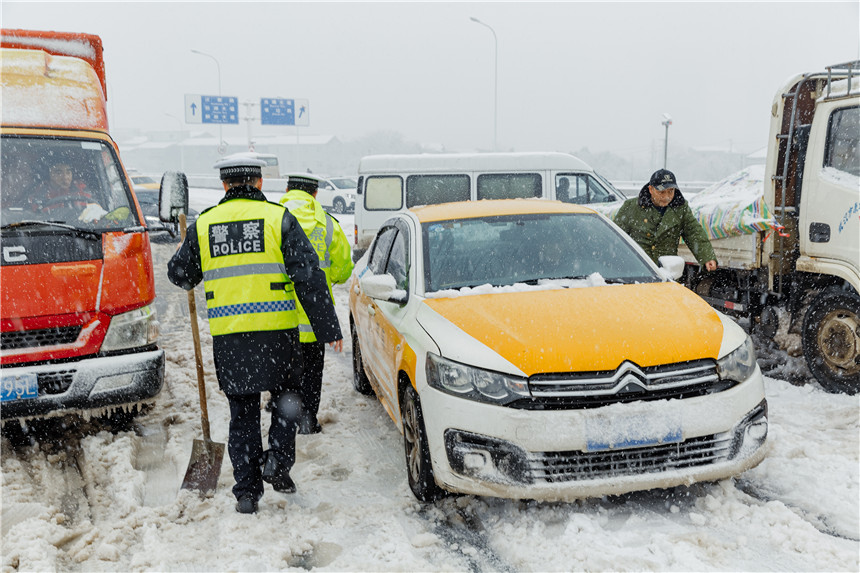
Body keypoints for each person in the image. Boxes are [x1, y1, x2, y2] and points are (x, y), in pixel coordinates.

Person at [167, 153, 342, 514]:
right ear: (259, 183)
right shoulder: (278, 218)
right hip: (278, 335)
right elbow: (308, 275)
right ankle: (277, 461)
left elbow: (180, 275)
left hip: (231, 339)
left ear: (224, 185)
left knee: (242, 414)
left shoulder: (206, 224)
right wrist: (326, 326)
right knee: (286, 403)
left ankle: (246, 494)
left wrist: (193, 248)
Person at [279, 175, 354, 434]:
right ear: (315, 194)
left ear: (287, 190)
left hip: (280, 318)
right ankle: (308, 419)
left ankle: (283, 417)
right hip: (315, 317)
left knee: (285, 371)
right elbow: (344, 269)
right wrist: (324, 279)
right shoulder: (328, 225)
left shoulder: (272, 220)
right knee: (312, 370)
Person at [614, 169, 718, 272]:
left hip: (666, 271)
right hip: (637, 269)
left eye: (671, 191)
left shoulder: (681, 209)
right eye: (661, 192)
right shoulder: (631, 207)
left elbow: (694, 233)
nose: (667, 197)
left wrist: (707, 256)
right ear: (651, 189)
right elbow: (615, 237)